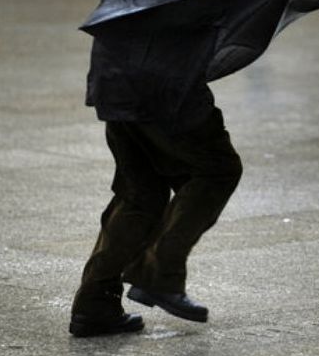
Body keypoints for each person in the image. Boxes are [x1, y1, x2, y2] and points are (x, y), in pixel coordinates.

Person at [68, 20, 243, 338]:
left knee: (141, 193)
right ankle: (159, 271)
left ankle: (95, 303)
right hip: (165, 82)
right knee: (219, 169)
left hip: (113, 72)